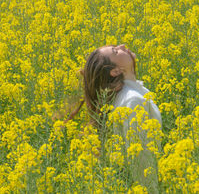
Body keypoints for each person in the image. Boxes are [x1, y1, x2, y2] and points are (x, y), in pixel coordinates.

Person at [66, 44, 162, 193]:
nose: (122, 46)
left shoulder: (125, 96)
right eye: (116, 51)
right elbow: (141, 162)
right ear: (115, 71)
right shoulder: (133, 101)